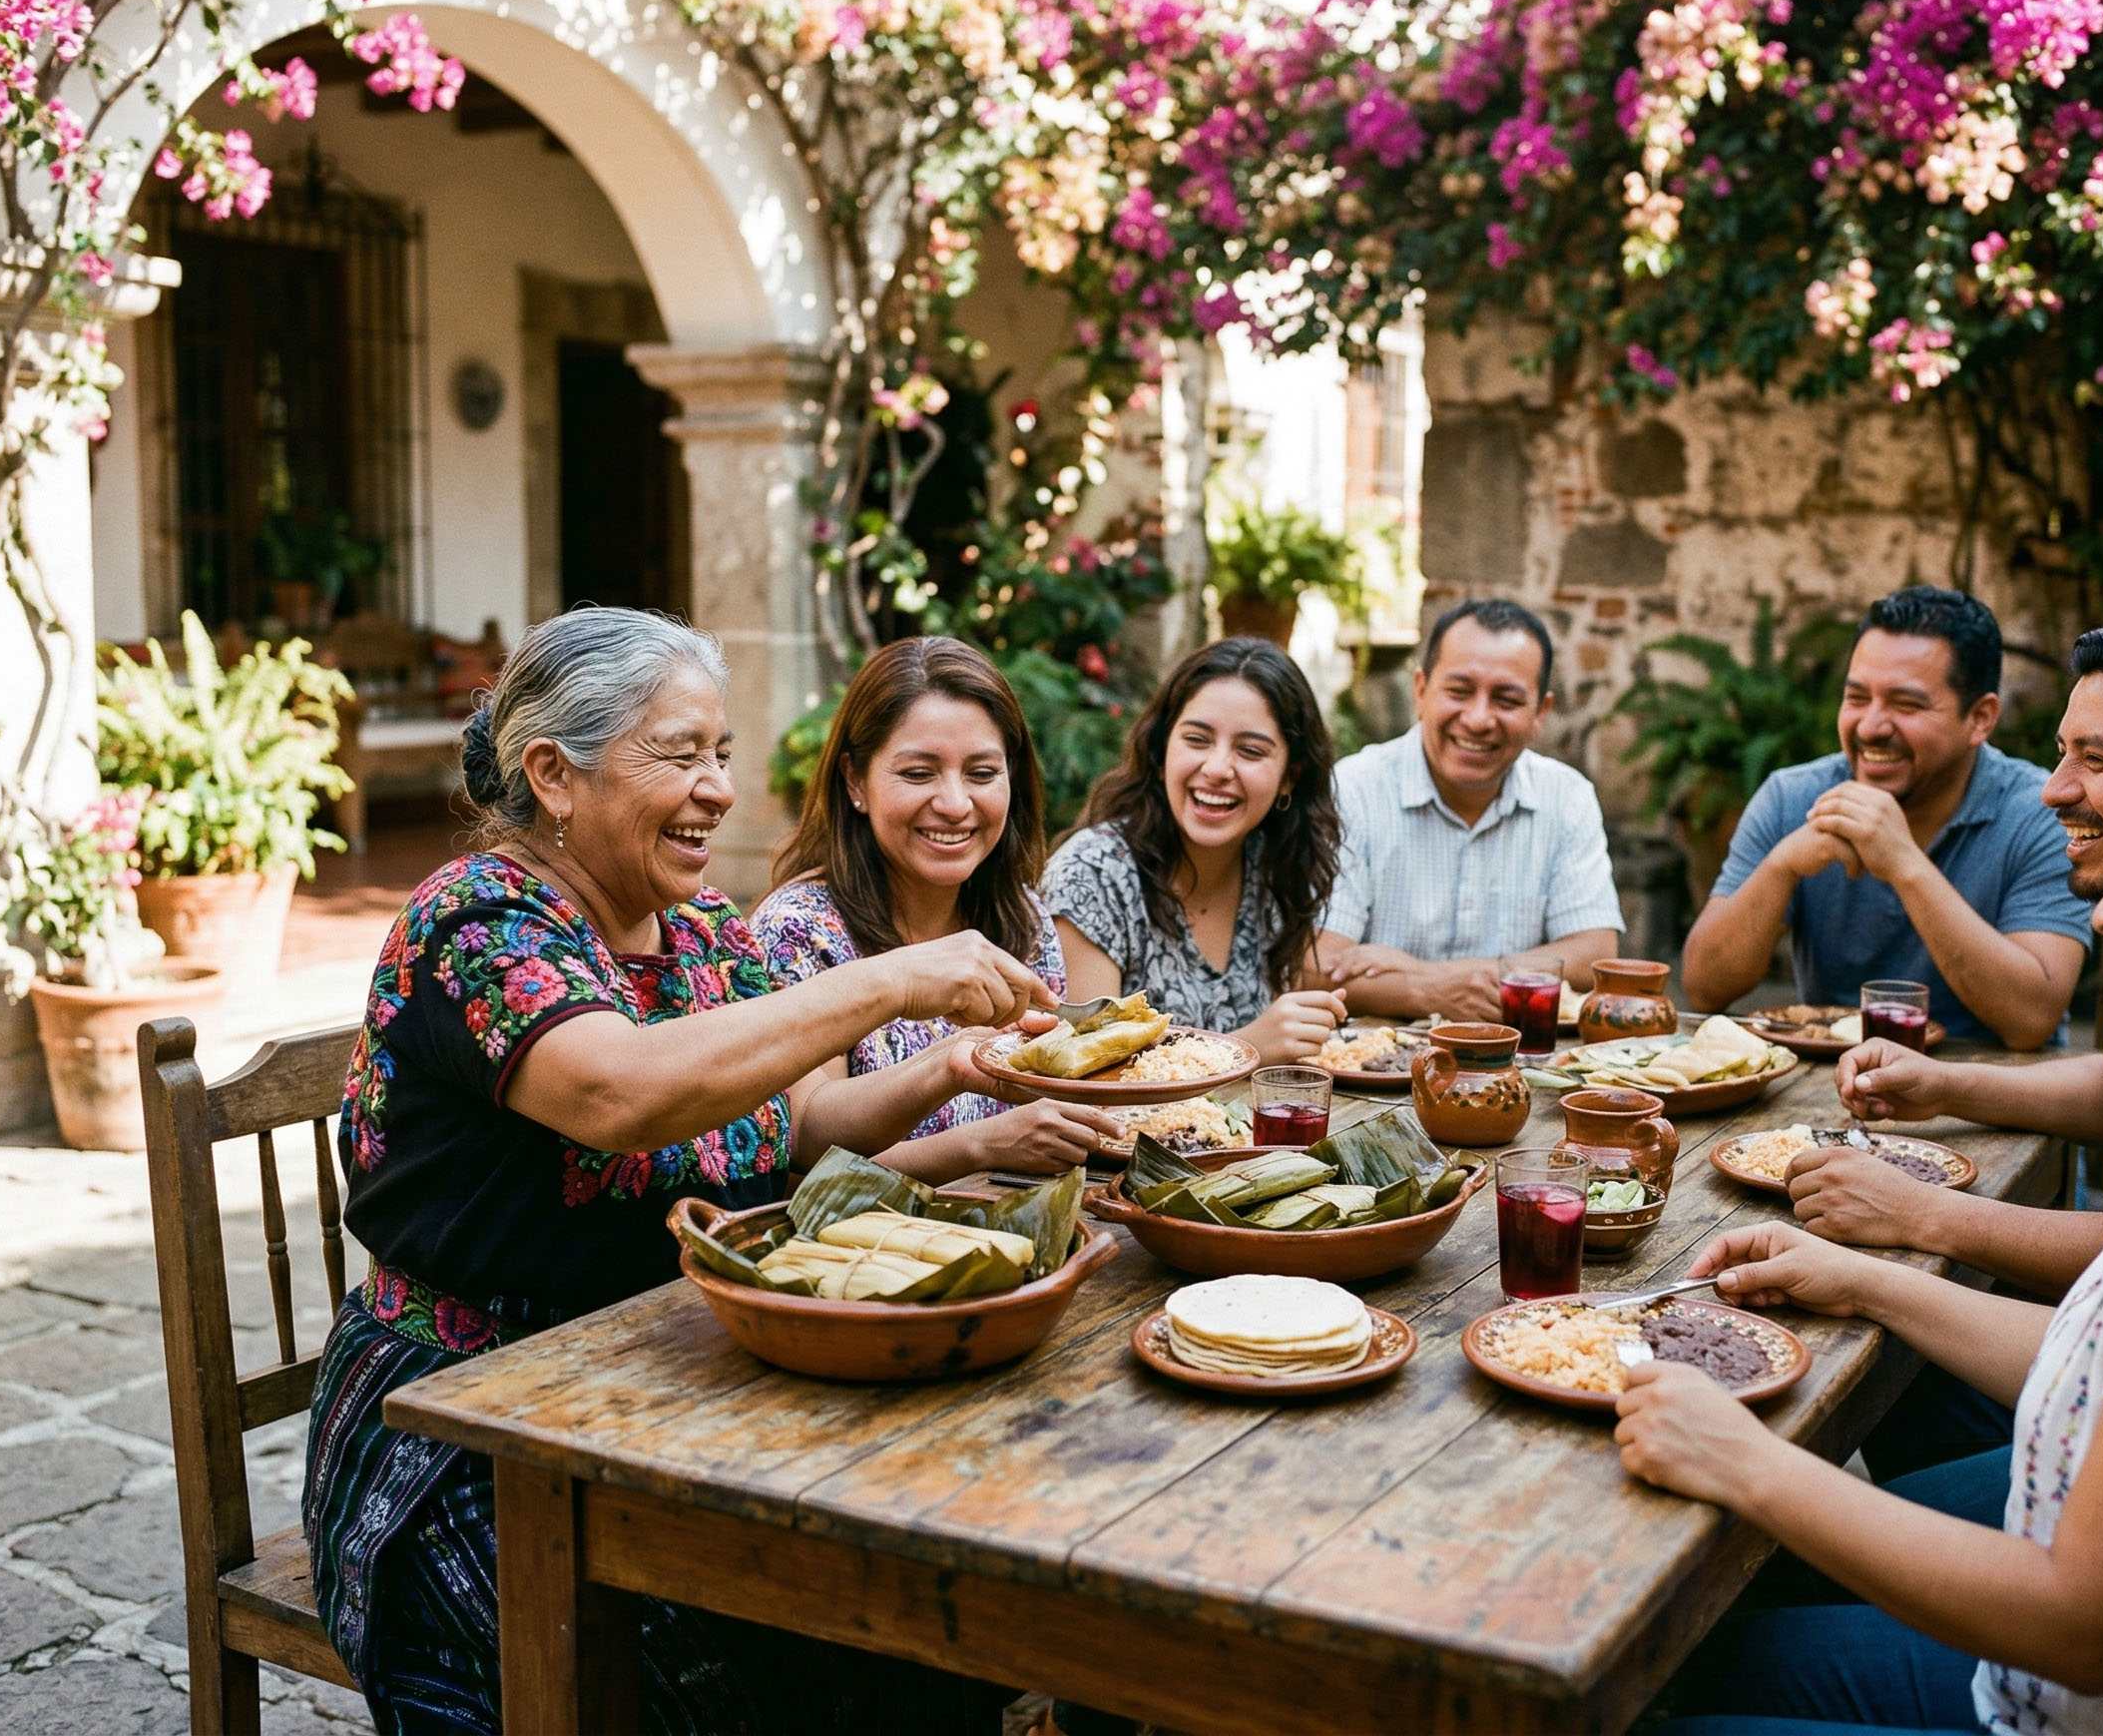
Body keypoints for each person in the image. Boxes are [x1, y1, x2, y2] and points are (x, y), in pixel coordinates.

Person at [303, 609, 1050, 1734]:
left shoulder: (699, 932)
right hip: (473, 1428)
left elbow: (807, 1127)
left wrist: (956, 1060)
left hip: (673, 1389)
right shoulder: (477, 919)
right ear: (553, 774)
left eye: (721, 754)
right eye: (679, 753)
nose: (716, 789)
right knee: (750, 1680)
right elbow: (621, 1095)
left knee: (918, 1615)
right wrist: (889, 983)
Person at [1621, 719, 2103, 1736]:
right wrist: (1860, 1277)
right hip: (2029, 1692)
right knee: (1690, 1652)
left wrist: (1745, 1461)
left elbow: (2080, 1621)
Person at [1800, 617, 2103, 1299]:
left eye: (2095, 760)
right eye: (2063, 753)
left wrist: (1918, 1215)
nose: (2053, 789)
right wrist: (1944, 1086)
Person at [754, 637, 1122, 1172]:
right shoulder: (798, 931)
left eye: (981, 773)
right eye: (919, 773)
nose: (954, 804)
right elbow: (806, 1152)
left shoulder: (1022, 917)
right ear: (855, 780)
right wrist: (978, 1147)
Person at [1684, 585, 2091, 1049]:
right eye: (1857, 698)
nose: (1870, 726)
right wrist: (1782, 867)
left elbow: (2031, 1019)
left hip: (1995, 1097)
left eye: (1906, 705)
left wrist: (1905, 864)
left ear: (1980, 717)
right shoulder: (1792, 797)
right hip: (1824, 1093)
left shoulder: (2039, 813)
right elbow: (1702, 988)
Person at [1042, 637, 1347, 1063]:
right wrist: (1244, 1050)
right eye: (1198, 739)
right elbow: (1082, 1074)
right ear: (1163, 750)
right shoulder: (1092, 874)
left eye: (1250, 751)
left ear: (1289, 778)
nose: (1218, 768)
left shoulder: (1273, 868)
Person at [1315, 598, 1622, 1022]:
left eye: (1507, 700)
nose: (1478, 719)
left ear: (1540, 714)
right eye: (1459, 692)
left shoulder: (1566, 797)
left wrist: (1430, 974)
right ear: (1421, 692)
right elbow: (1316, 967)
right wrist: (1426, 992)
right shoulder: (1354, 789)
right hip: (1370, 1074)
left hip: (1516, 1069)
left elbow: (1594, 954)